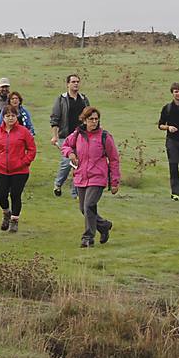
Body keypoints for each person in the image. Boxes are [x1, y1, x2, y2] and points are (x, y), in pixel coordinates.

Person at [62, 107, 120, 248]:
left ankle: (88, 238)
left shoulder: (104, 136)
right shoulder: (77, 135)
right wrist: (70, 153)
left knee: (89, 205)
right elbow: (65, 145)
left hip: (98, 177)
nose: (94, 122)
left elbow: (114, 159)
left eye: (96, 119)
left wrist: (114, 182)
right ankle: (104, 225)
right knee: (84, 208)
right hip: (81, 176)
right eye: (91, 119)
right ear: (84, 120)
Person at [0, 107, 36, 233]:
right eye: (8, 115)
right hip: (2, 169)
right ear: (3, 117)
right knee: (1, 195)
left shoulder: (23, 132)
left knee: (15, 195)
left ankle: (14, 220)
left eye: (13, 115)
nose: (10, 118)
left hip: (20, 171)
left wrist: (24, 162)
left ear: (16, 117)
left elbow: (32, 149)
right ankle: (6, 212)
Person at [49, 74, 90, 197]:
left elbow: (89, 116)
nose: (76, 84)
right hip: (65, 136)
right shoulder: (61, 99)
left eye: (77, 81)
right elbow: (55, 118)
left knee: (79, 164)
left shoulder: (84, 99)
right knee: (67, 162)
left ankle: (75, 193)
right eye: (73, 82)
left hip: (81, 136)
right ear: (68, 84)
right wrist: (54, 136)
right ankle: (58, 184)